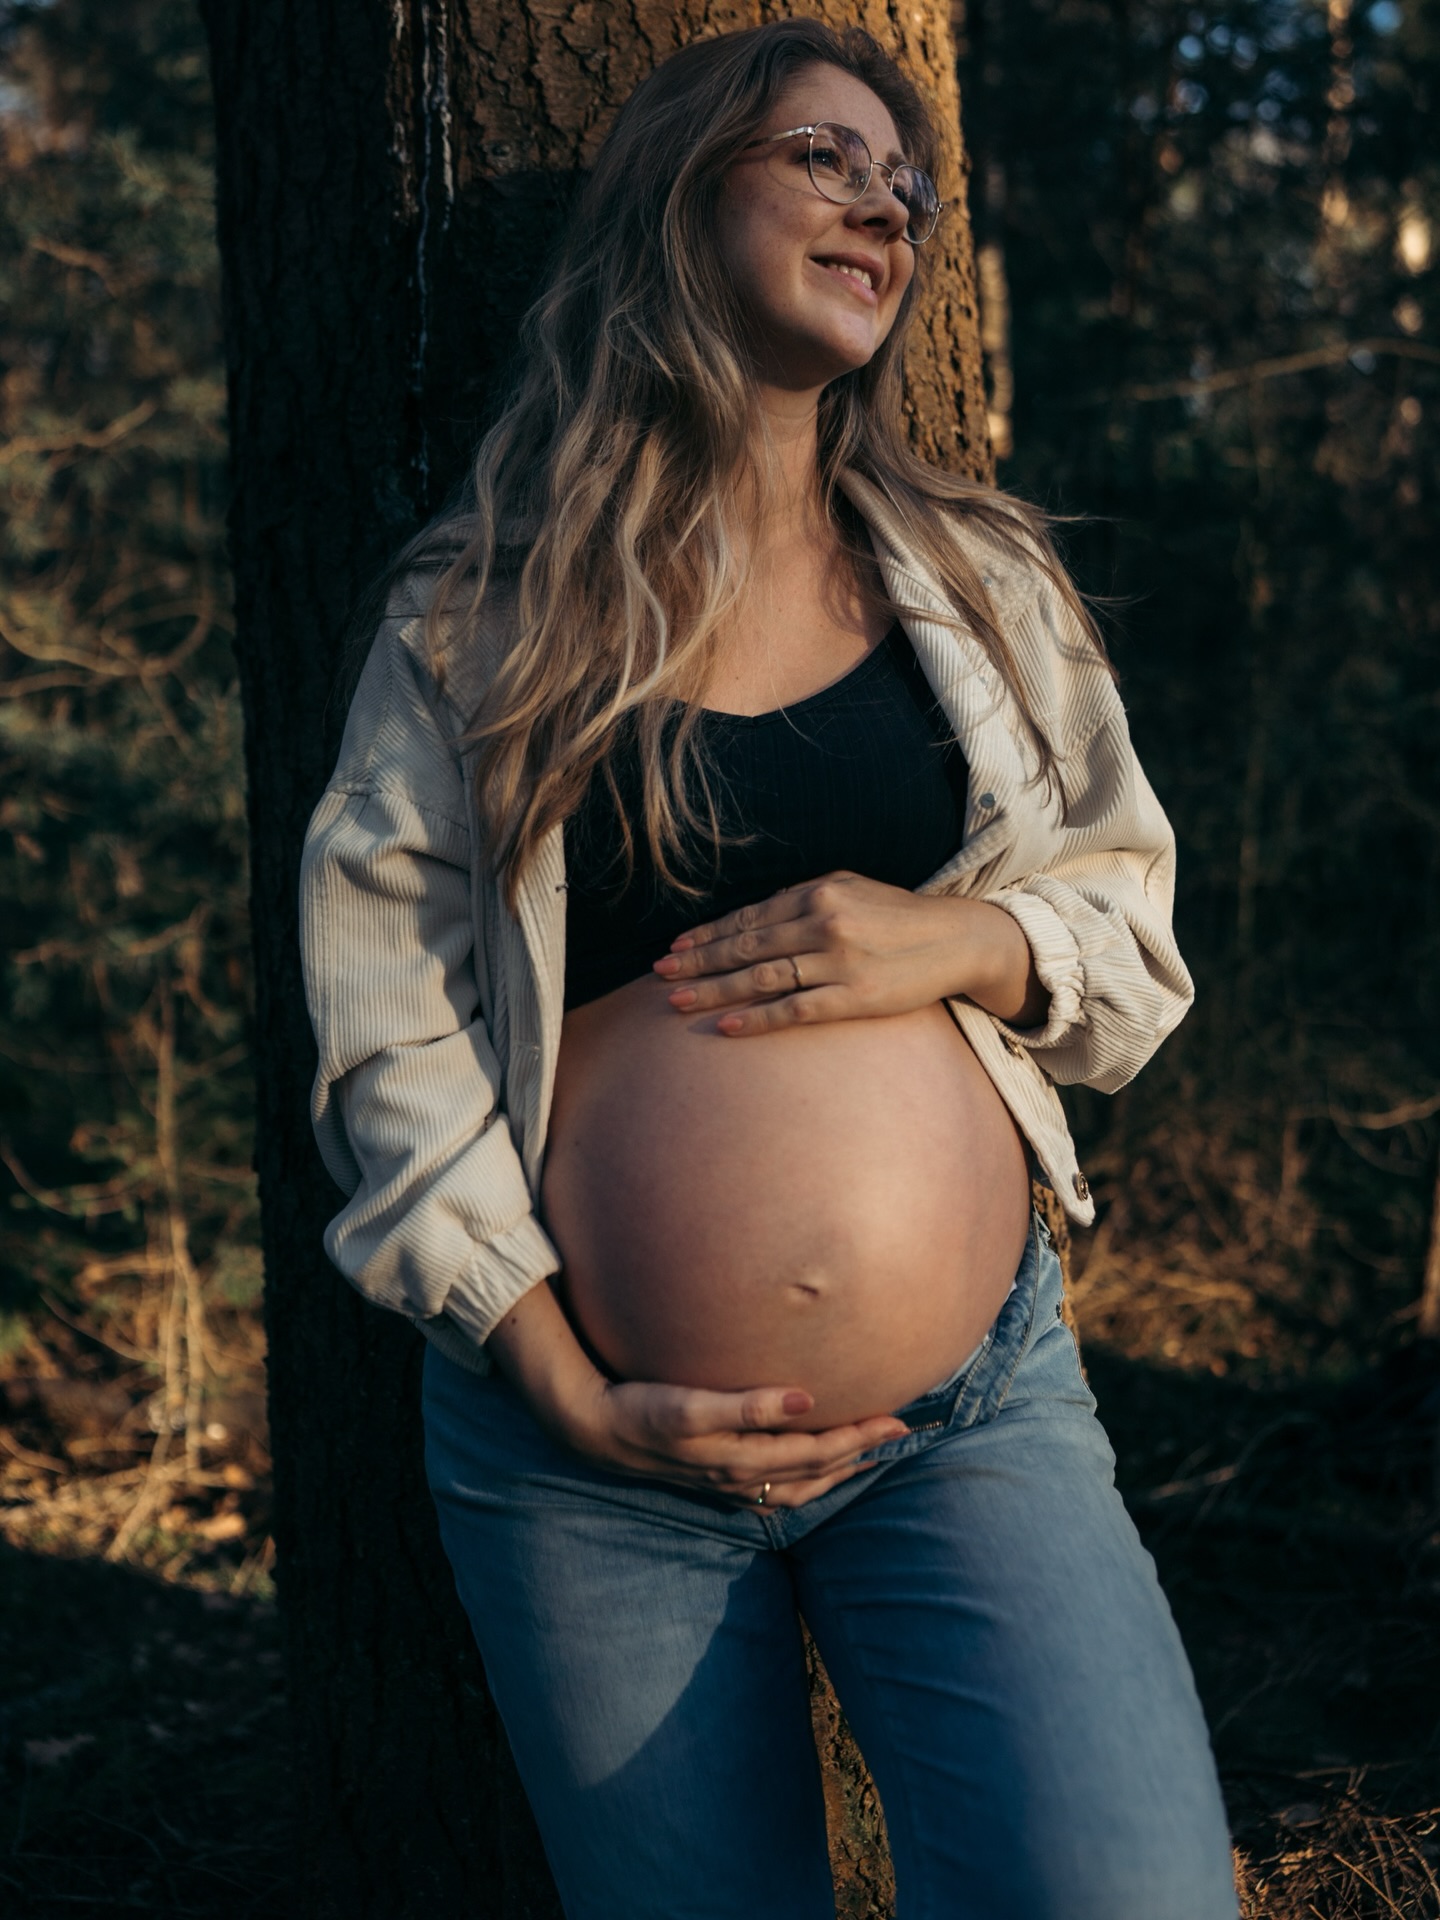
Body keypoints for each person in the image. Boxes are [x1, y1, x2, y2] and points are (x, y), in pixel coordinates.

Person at [299, 21, 1239, 1919]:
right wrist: (557, 1378)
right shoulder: (478, 616)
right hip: (587, 1455)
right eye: (826, 158)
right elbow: (385, 1019)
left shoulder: (981, 583)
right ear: (677, 193)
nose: (884, 210)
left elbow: (1132, 935)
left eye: (906, 185)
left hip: (969, 1411)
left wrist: (962, 937)